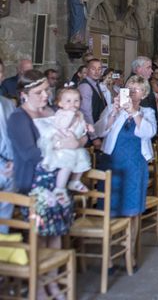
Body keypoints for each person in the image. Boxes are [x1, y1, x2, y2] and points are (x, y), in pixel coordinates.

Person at [7, 70, 75, 298]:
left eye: (46, 89)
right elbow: (29, 154)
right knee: (38, 234)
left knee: (56, 233)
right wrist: (63, 146)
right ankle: (37, 286)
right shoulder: (19, 117)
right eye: (39, 91)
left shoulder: (52, 111)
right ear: (24, 94)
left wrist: (73, 141)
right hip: (35, 183)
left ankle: (52, 281)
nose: (46, 94)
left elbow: (75, 135)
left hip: (57, 180)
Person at [94, 75, 157, 259]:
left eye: (135, 90)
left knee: (132, 210)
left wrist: (134, 113)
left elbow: (148, 132)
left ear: (143, 95)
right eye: (128, 88)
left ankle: (130, 253)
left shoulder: (147, 112)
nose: (130, 93)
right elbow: (99, 131)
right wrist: (113, 112)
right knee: (110, 210)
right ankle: (110, 256)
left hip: (134, 166)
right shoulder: (113, 108)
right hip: (112, 164)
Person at [37, 87, 93, 195]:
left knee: (83, 156)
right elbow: (62, 125)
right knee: (67, 163)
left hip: (75, 144)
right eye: (68, 101)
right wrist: (71, 114)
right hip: (62, 144)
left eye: (76, 101)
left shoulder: (79, 114)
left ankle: (75, 181)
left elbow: (80, 127)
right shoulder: (61, 113)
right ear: (60, 103)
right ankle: (60, 187)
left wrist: (87, 126)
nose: (73, 104)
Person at [0, 59, 15, 232]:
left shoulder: (8, 104)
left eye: (1, 72)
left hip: (10, 165)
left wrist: (14, 160)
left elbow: (13, 136)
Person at [78, 58, 107, 148]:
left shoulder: (96, 84)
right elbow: (86, 113)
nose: (97, 72)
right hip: (90, 135)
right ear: (87, 70)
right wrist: (94, 137)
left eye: (99, 69)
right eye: (93, 69)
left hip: (97, 130)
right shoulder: (85, 86)